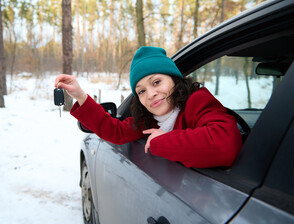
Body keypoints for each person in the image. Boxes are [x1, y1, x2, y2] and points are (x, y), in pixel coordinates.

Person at [55, 46, 242, 168]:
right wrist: (80, 96)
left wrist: (163, 141)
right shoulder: (149, 121)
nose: (150, 94)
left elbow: (225, 142)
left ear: (176, 81)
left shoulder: (198, 101)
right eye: (141, 91)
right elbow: (116, 131)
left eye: (156, 82)